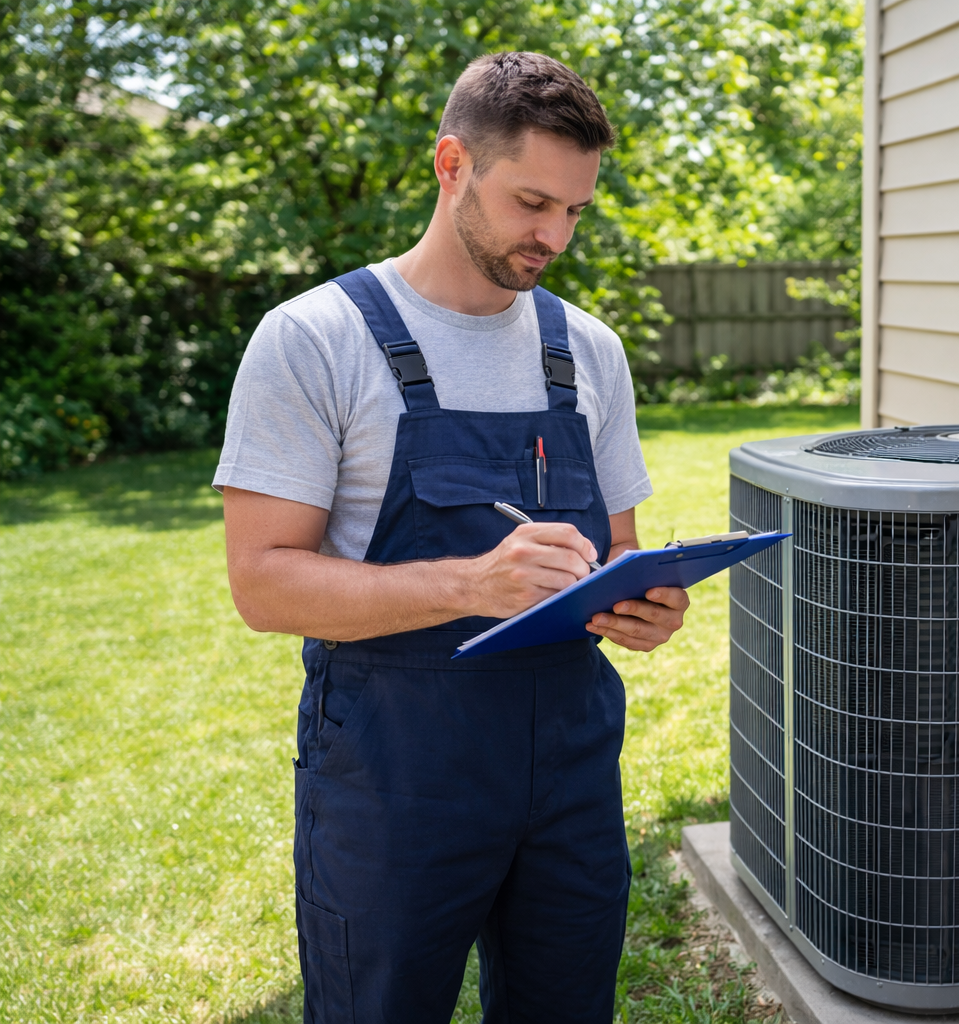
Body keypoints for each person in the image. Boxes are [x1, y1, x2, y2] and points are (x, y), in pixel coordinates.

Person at [215, 52, 689, 1023]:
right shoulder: (315, 339)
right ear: (450, 164)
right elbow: (263, 585)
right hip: (396, 777)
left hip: (570, 767)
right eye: (530, 203)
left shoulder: (588, 350)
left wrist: (642, 605)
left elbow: (613, 559)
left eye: (574, 212)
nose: (553, 235)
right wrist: (472, 584)